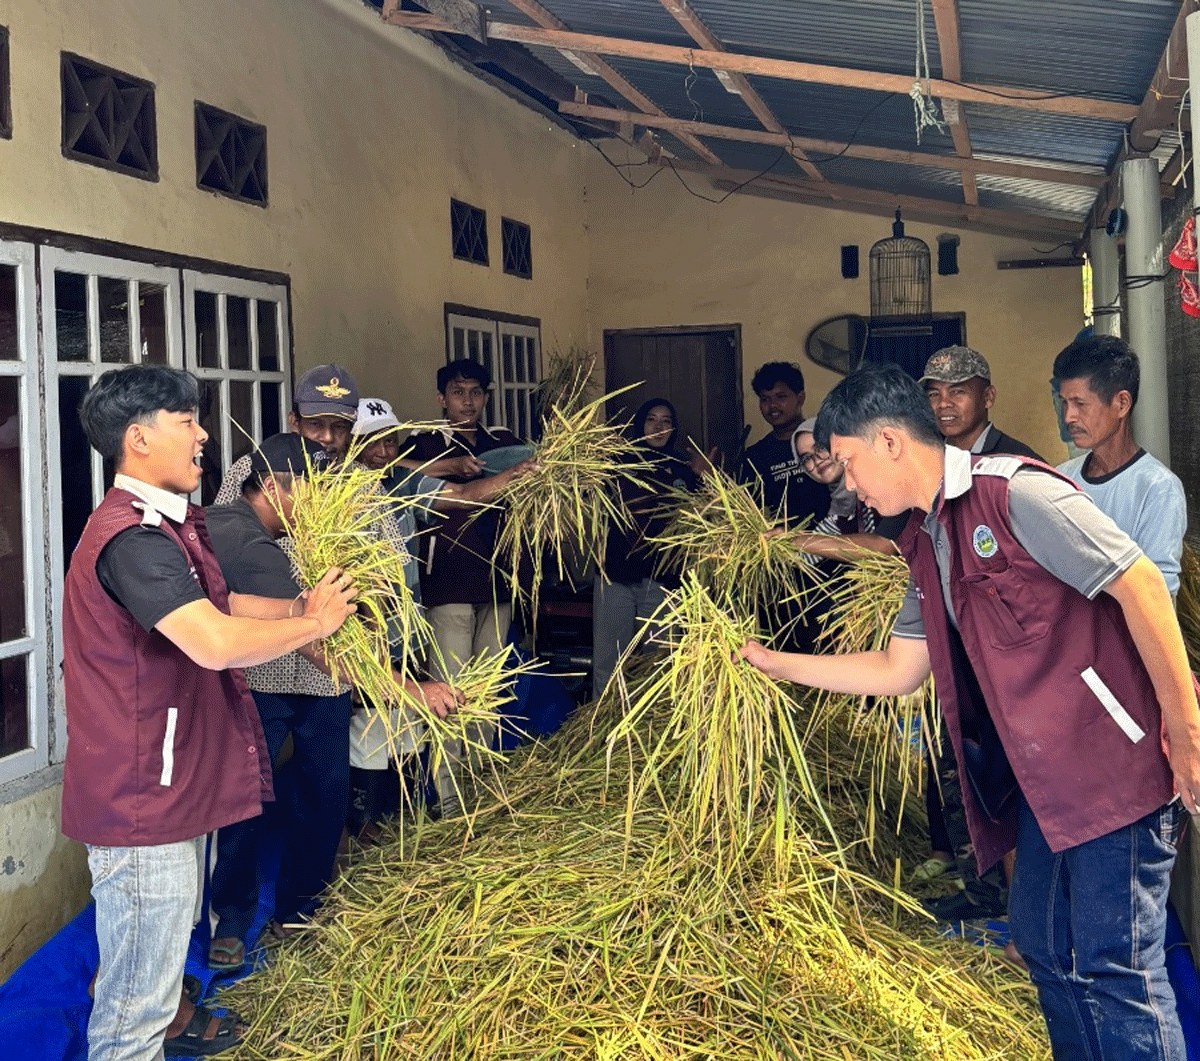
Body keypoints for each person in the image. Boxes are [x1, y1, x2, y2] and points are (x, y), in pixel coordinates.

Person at [741, 364, 1200, 1061]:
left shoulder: (1016, 491)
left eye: (853, 465)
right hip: (1045, 789)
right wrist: (774, 663)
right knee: (1045, 946)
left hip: (1114, 768)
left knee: (1118, 965)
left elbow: (1139, 582)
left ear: (890, 441)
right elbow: (900, 668)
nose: (851, 486)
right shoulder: (924, 539)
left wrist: (1188, 733)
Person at [61, 366, 355, 1061]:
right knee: (133, 1017)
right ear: (138, 438)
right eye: (185, 421)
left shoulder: (171, 526)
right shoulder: (130, 539)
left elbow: (221, 608)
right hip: (143, 804)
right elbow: (215, 641)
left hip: (169, 793)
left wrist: (295, 608)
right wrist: (311, 626)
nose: (203, 436)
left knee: (153, 987)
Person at [348, 394, 535, 820]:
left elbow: (466, 495)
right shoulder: (331, 492)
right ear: (349, 444)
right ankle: (371, 828)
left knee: (413, 720)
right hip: (360, 637)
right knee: (367, 732)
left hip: (406, 630)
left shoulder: (399, 482)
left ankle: (429, 808)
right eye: (370, 442)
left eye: (389, 442)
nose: (381, 452)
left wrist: (515, 474)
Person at [1054, 335, 1186, 596]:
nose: (1069, 416)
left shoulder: (1158, 489)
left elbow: (1156, 594)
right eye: (1064, 403)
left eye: (1080, 404)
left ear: (1121, 404)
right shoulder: (1060, 479)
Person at [592, 398, 704, 698]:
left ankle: (654, 730)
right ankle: (600, 730)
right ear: (640, 424)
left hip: (663, 580)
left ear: (674, 427)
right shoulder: (618, 462)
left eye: (666, 421)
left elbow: (710, 515)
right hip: (616, 576)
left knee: (661, 665)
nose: (658, 427)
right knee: (609, 663)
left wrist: (705, 474)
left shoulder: (684, 468)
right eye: (651, 419)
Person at [739, 361, 830, 528]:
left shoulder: (826, 440)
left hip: (834, 543)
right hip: (783, 547)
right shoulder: (755, 457)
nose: (772, 405)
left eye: (781, 397)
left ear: (800, 398)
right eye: (765, 399)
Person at [920, 346, 1041, 458]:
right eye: (933, 394)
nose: (943, 404)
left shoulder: (1017, 462)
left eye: (957, 392)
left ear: (988, 397)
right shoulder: (926, 460)